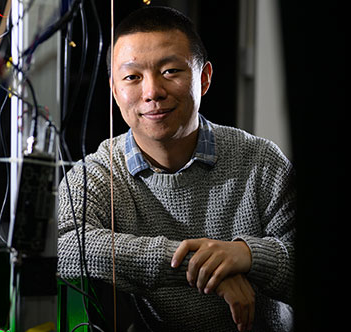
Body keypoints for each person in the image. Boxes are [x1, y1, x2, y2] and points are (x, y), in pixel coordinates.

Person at [57, 5, 295, 332]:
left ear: (205, 78)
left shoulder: (260, 161)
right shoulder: (98, 174)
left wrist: (247, 255)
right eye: (132, 77)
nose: (152, 92)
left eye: (170, 71)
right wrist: (194, 264)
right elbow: (68, 245)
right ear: (114, 89)